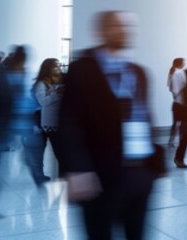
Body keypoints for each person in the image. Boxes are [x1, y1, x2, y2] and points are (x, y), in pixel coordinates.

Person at [58, 11, 168, 240]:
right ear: (101, 31)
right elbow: (69, 122)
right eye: (118, 26)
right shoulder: (82, 70)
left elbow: (145, 118)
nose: (125, 31)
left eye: (129, 27)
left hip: (139, 175)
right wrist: (77, 169)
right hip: (99, 176)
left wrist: (153, 166)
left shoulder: (139, 73)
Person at [0, 46, 46, 219]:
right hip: (4, 127)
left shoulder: (25, 75)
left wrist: (33, 107)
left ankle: (39, 182)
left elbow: (25, 99)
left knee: (34, 154)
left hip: (24, 124)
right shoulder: (0, 77)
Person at [31, 58, 64, 183]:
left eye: (59, 66)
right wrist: (56, 94)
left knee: (60, 150)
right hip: (46, 122)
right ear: (47, 68)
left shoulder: (60, 81)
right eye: (55, 66)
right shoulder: (41, 83)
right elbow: (43, 101)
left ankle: (62, 174)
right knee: (42, 149)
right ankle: (38, 174)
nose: (58, 68)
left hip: (58, 120)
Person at [166, 58, 187, 147]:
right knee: (183, 123)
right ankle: (181, 141)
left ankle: (171, 141)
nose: (184, 64)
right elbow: (185, 85)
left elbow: (171, 88)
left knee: (175, 123)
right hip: (182, 103)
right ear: (180, 64)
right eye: (183, 62)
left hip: (175, 103)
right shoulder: (180, 73)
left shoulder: (172, 73)